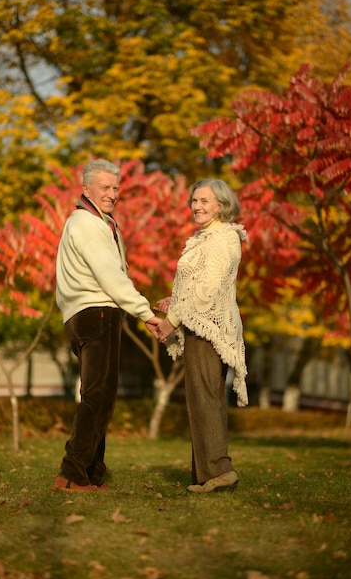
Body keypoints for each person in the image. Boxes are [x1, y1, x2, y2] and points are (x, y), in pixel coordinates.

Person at [52, 158, 161, 492]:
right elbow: (111, 276)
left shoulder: (99, 222)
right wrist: (146, 313)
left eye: (115, 188)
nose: (112, 194)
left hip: (86, 313)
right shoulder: (87, 224)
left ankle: (91, 472)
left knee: (101, 394)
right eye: (105, 187)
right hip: (96, 312)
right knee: (98, 396)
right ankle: (71, 473)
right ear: (86, 189)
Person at [156, 179, 248, 494]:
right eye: (194, 201)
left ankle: (220, 472)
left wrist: (171, 321)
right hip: (199, 324)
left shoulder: (222, 240)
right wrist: (174, 302)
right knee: (200, 398)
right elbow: (193, 287)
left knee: (206, 398)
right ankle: (207, 474)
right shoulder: (204, 239)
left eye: (204, 201)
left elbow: (207, 292)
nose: (197, 206)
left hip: (210, 329)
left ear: (221, 204)